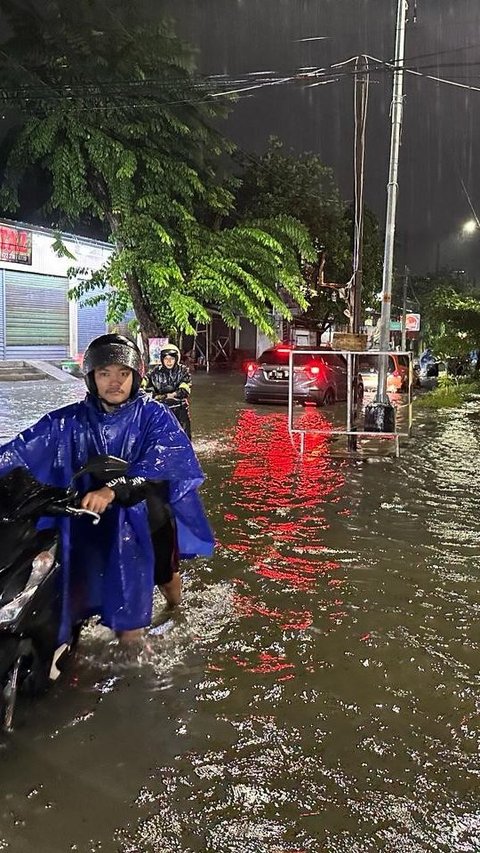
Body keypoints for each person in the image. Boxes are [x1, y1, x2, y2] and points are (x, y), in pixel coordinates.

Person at [0, 334, 214, 646]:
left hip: (149, 516)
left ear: (135, 376)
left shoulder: (154, 415)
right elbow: (21, 449)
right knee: (89, 589)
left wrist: (114, 489)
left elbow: (163, 462)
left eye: (122, 374)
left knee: (165, 579)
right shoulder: (70, 420)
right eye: (104, 374)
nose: (114, 383)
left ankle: (173, 612)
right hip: (91, 518)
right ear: (91, 378)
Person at [144, 343, 192, 439]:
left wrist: (166, 396)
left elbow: (184, 390)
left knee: (184, 439)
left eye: (172, 359)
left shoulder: (183, 371)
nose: (169, 362)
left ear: (176, 359)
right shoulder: (154, 373)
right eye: (166, 359)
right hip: (161, 410)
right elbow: (145, 386)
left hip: (180, 410)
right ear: (162, 359)